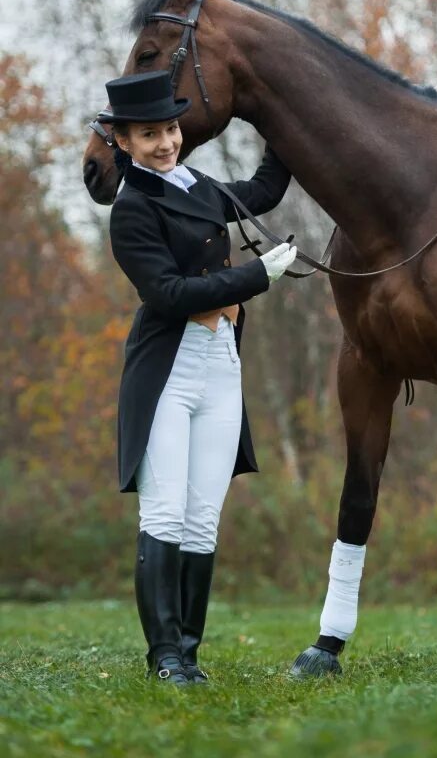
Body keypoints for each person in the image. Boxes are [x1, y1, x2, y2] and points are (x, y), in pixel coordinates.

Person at [100, 69, 297, 686]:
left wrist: (282, 120)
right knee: (164, 512)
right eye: (149, 134)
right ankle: (163, 659)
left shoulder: (198, 184)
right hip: (169, 370)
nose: (165, 142)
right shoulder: (132, 210)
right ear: (124, 142)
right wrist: (256, 277)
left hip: (220, 365)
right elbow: (169, 292)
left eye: (170, 129)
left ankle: (188, 653)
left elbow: (262, 190)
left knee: (202, 517)